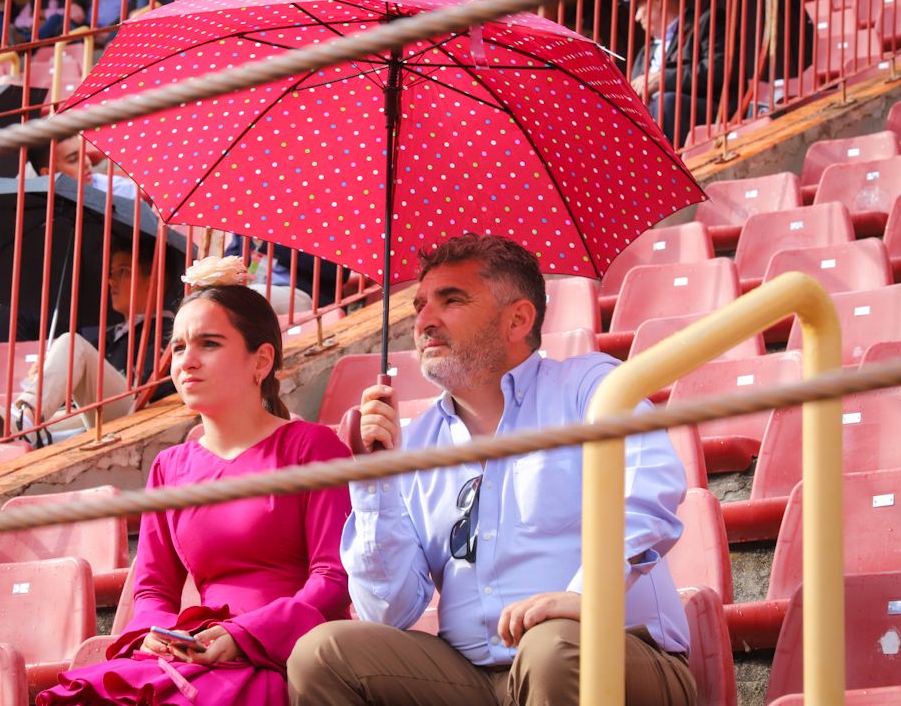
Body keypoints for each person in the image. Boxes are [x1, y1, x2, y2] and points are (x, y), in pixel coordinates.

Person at [287, 235, 696, 706]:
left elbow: (650, 492)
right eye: (420, 305)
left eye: (451, 300)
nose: (424, 321)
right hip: (471, 676)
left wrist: (588, 597)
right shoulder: (414, 444)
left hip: (611, 653)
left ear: (518, 319)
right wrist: (375, 480)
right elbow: (387, 612)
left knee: (553, 645)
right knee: (322, 654)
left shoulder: (590, 388)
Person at [36, 255, 352, 705]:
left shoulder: (313, 448)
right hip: (193, 649)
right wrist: (154, 635)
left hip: (281, 652)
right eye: (180, 346)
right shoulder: (169, 468)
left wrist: (243, 635)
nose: (187, 361)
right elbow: (152, 588)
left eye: (209, 343)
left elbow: (333, 578)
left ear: (260, 360)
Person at [0, 243, 176, 446]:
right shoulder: (107, 338)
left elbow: (152, 392)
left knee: (71, 344)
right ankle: (28, 427)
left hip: (138, 415)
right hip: (94, 418)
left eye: (123, 271)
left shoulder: (169, 330)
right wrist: (46, 376)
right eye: (112, 272)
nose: (111, 281)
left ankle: (28, 417)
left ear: (153, 281)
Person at [627, 0, 726, 147]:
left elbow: (717, 69)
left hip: (700, 111)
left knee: (668, 101)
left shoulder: (705, 22)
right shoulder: (644, 53)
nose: (636, 17)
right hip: (655, 118)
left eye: (640, 7)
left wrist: (663, 80)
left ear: (659, 1)